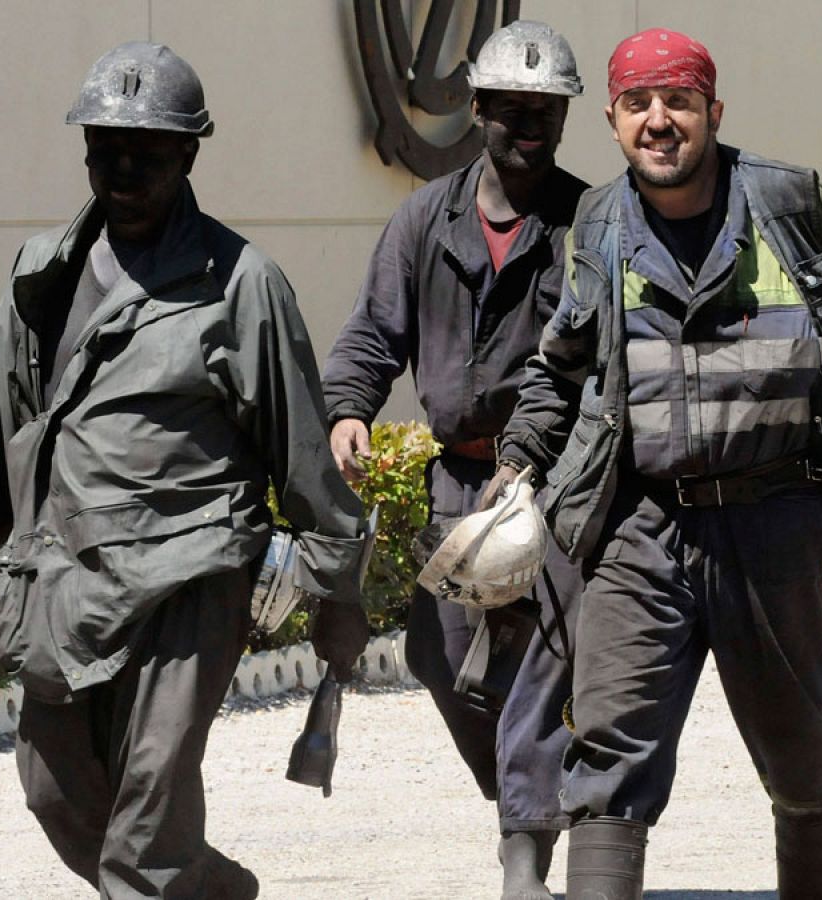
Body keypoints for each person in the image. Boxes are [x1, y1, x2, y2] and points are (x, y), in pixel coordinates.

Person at [487, 28, 822, 899]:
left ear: (712, 112)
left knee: (797, 746)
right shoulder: (600, 224)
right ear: (615, 124)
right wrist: (519, 460)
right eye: (637, 105)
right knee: (608, 751)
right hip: (640, 527)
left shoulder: (785, 200)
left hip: (773, 523)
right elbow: (564, 364)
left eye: (678, 102)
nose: (659, 122)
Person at [0, 42, 371, 897]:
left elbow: (305, 457)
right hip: (61, 580)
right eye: (107, 147)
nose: (124, 169)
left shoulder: (241, 285)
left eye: (149, 151)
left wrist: (338, 591)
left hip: (188, 587)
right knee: (55, 794)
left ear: (190, 154)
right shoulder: (41, 274)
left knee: (145, 828)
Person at [320, 21, 587, 900]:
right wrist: (349, 409)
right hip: (455, 482)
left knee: (536, 662)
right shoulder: (423, 220)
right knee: (441, 656)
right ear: (477, 111)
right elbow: (371, 331)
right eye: (512, 109)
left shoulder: (589, 224)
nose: (530, 125)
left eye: (546, 110)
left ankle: (525, 858)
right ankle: (529, 805)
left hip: (556, 483)